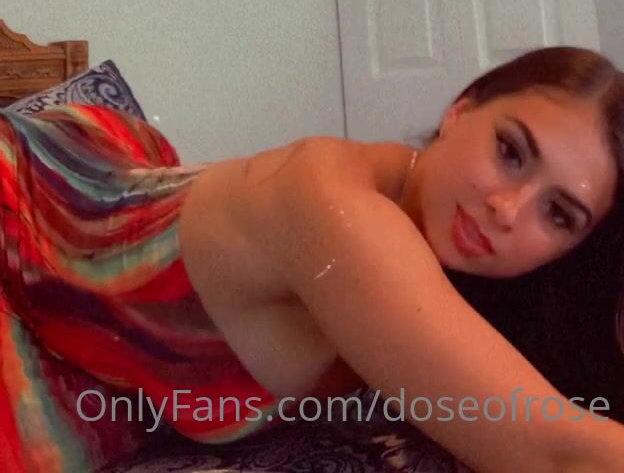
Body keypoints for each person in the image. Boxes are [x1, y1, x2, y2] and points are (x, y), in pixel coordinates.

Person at [2, 46, 624, 473]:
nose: (508, 209)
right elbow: (555, 453)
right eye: (511, 152)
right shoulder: (340, 216)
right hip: (37, 221)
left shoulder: (441, 268)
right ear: (460, 110)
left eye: (558, 214)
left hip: (123, 341)